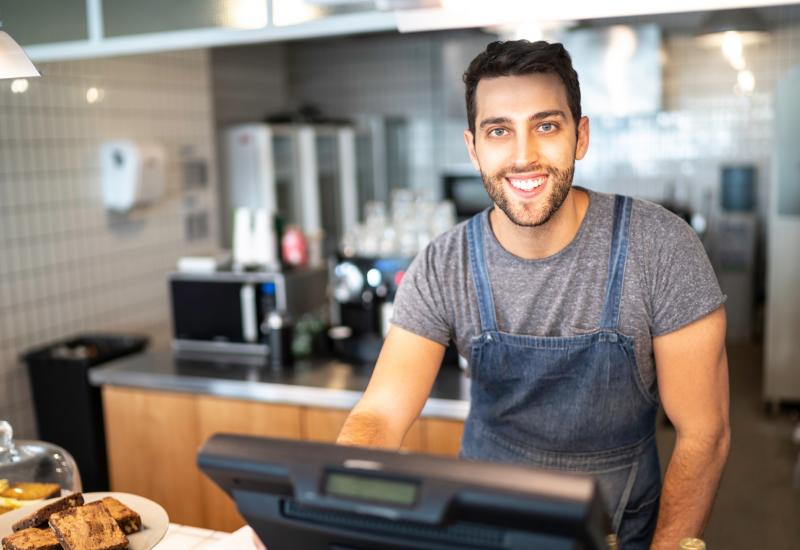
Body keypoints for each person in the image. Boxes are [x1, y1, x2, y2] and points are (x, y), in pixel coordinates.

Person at [336, 40, 730, 549]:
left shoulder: (660, 248)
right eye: (499, 130)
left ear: (580, 136)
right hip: (481, 531)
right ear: (473, 148)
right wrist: (338, 502)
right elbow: (381, 414)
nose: (524, 156)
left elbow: (705, 434)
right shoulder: (444, 262)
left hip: (616, 535)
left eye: (546, 126)